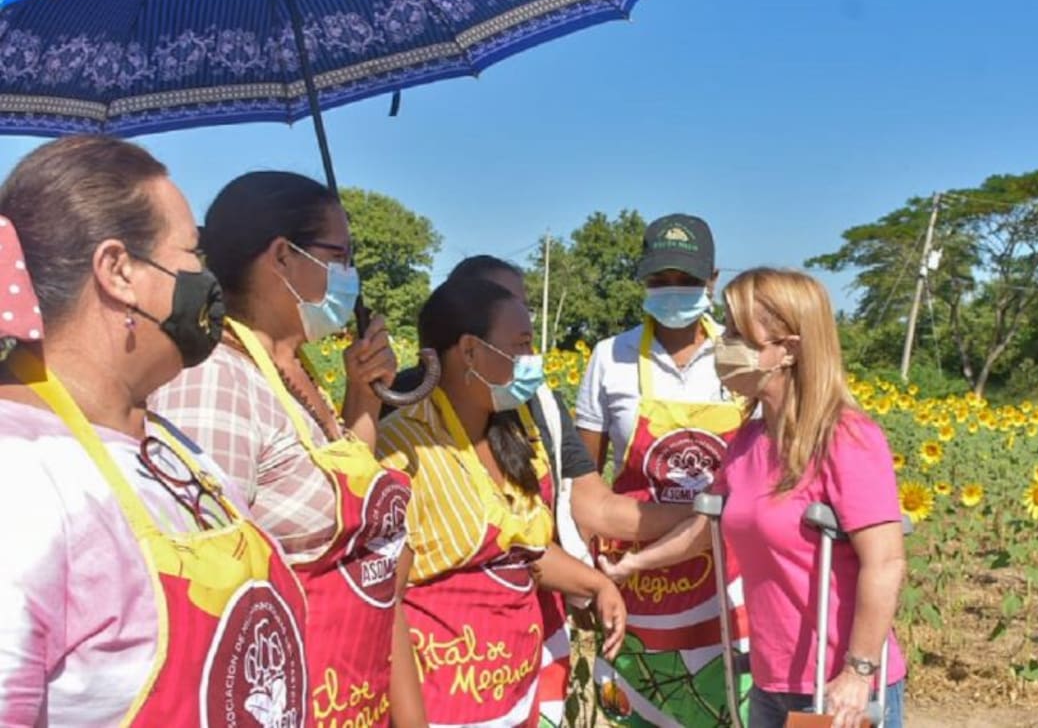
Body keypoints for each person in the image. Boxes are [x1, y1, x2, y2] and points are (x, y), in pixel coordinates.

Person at [0, 138, 309, 726]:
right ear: (119, 271)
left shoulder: (172, 448)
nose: (207, 279)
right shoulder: (18, 480)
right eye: (193, 254)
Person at [150, 171, 423, 728]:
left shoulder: (293, 372)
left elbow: (341, 498)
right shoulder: (214, 381)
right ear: (281, 255)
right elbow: (203, 587)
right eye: (340, 256)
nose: (351, 275)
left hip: (348, 696)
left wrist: (363, 397)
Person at [600, 268, 908, 728]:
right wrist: (634, 565)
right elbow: (708, 528)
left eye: (738, 333)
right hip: (771, 680)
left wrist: (858, 671)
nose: (722, 343)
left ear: (788, 349)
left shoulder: (846, 438)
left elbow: (885, 561)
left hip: (834, 689)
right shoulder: (749, 440)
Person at [399, 255, 697, 728]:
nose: (530, 359)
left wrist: (710, 515)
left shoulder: (530, 409)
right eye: (517, 338)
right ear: (468, 344)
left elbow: (558, 526)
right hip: (442, 679)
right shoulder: (401, 430)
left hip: (524, 653)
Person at [376, 278, 627, 728]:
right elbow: (382, 602)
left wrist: (597, 584)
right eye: (523, 345)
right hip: (442, 706)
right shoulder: (400, 450)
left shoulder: (516, 433)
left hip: (515, 692)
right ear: (469, 351)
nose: (534, 361)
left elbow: (522, 549)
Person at [575, 213, 749, 727]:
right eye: (660, 281)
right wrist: (588, 577)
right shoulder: (611, 357)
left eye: (687, 282)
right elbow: (583, 479)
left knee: (723, 704)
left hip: (726, 581)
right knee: (636, 709)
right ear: (643, 280)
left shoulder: (739, 357)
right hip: (635, 581)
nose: (673, 293)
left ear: (712, 281)